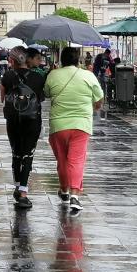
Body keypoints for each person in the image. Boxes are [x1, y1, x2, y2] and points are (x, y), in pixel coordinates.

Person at [44, 47, 104, 215]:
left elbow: (46, 93)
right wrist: (94, 107)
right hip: (81, 125)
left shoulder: (53, 74)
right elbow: (99, 99)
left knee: (62, 160)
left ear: (62, 59)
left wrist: (53, 74)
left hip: (58, 125)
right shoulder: (88, 75)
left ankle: (64, 190)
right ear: (78, 60)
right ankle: (75, 195)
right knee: (76, 160)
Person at [1, 46, 45, 209]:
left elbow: (2, 98)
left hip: (13, 119)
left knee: (16, 152)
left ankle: (17, 185)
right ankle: (23, 193)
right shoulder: (39, 77)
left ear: (12, 60)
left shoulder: (7, 76)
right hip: (32, 120)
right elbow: (42, 98)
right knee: (28, 154)